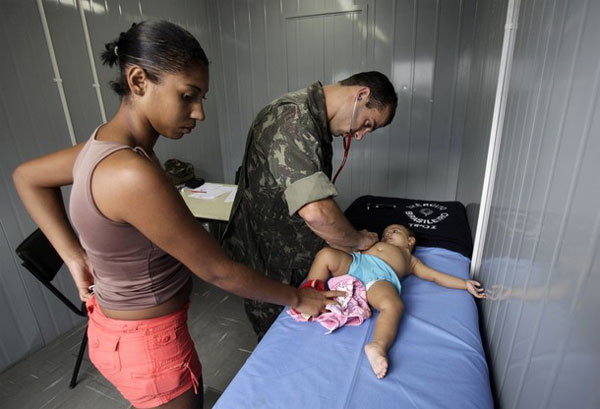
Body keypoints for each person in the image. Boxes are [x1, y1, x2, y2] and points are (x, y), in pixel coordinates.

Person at [12, 20, 342, 409]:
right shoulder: (130, 172)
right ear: (138, 81)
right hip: (149, 346)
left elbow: (27, 177)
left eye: (201, 97)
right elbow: (218, 270)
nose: (199, 112)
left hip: (116, 329)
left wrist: (73, 256)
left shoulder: (102, 145)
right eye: (188, 95)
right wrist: (298, 298)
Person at [221, 71, 398, 338]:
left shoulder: (315, 123)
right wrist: (357, 241)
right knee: (279, 340)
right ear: (361, 95)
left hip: (292, 254)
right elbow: (316, 212)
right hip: (274, 263)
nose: (359, 135)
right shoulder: (293, 120)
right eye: (367, 124)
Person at [305, 224, 486, 379]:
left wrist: (464, 283)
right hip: (356, 263)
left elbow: (435, 277)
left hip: (378, 279)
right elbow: (347, 247)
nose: (387, 234)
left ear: (410, 241)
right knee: (326, 255)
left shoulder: (411, 260)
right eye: (385, 232)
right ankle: (308, 296)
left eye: (395, 231)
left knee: (393, 305)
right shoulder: (372, 244)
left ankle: (377, 346)